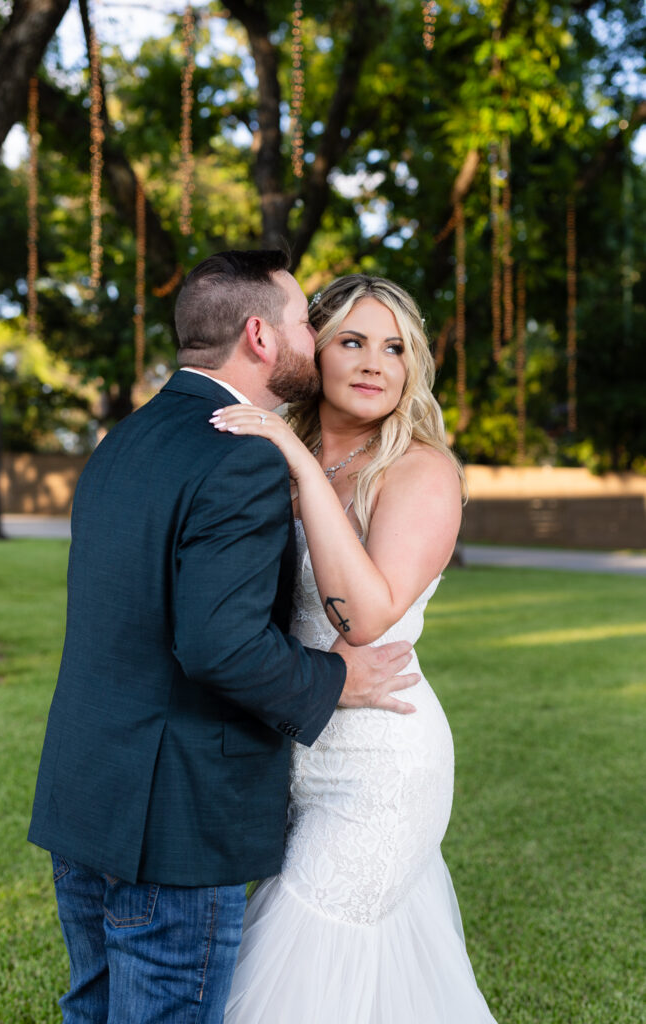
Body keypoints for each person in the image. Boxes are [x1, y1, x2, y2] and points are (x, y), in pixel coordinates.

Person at [28, 251, 420, 1024]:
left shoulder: (127, 438)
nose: (316, 336)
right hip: (171, 820)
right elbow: (219, 647)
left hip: (87, 798)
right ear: (260, 337)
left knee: (94, 1008)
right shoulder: (240, 455)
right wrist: (339, 679)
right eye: (306, 322)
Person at [212, 274, 498, 1023]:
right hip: (289, 753)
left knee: (295, 965)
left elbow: (364, 619)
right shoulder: (272, 445)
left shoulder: (420, 472)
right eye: (351, 341)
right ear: (313, 352)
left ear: (412, 367)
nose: (374, 362)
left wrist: (300, 466)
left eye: (394, 347)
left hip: (380, 766)